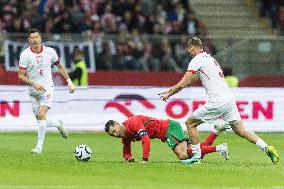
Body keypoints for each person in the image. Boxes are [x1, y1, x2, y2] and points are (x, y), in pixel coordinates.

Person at [159, 37, 280, 164]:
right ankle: (266, 147)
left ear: (192, 47)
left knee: (190, 123)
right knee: (241, 130)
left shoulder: (197, 59)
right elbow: (191, 80)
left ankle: (196, 157)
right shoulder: (210, 59)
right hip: (229, 99)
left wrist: (169, 93)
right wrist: (172, 89)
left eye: (189, 49)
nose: (189, 52)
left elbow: (183, 82)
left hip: (217, 100)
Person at [18, 28, 75, 154]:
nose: (35, 40)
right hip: (33, 90)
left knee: (42, 114)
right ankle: (58, 124)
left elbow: (59, 66)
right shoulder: (25, 55)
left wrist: (69, 82)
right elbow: (21, 75)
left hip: (47, 88)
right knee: (40, 120)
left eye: (36, 37)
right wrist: (34, 84)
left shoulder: (50, 52)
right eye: (32, 38)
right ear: (29, 40)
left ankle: (39, 147)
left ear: (40, 38)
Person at [104, 115, 230, 163]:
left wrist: (144, 159)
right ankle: (216, 131)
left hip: (169, 128)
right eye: (112, 135)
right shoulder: (125, 136)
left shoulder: (133, 122)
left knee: (183, 155)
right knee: (194, 154)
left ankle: (219, 148)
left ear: (117, 123)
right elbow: (126, 149)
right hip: (167, 131)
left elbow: (146, 139)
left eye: (114, 131)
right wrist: (128, 158)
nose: (115, 134)